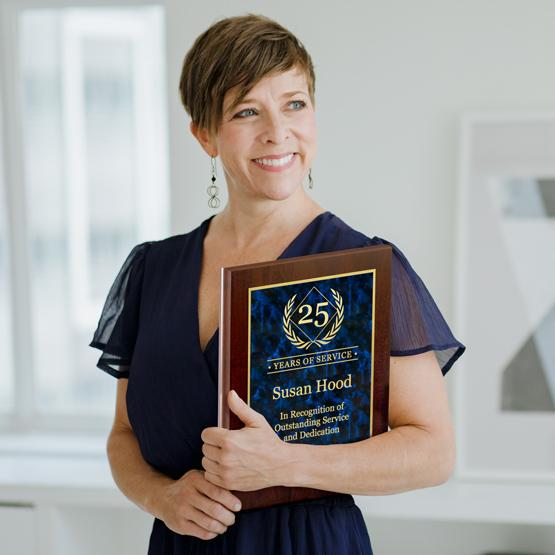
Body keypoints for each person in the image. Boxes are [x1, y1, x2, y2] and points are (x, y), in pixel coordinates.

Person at [89, 13, 466, 555]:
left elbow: (434, 452)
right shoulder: (154, 270)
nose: (278, 132)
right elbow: (124, 436)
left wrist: (287, 462)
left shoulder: (362, 266)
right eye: (247, 112)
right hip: (182, 542)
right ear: (204, 135)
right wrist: (160, 497)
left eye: (295, 103)